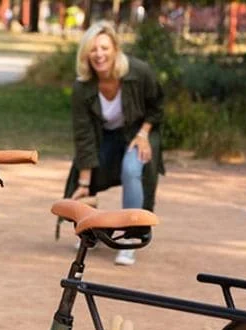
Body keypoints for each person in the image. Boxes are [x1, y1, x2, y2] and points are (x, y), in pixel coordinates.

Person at [64, 20, 164, 266]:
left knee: (131, 169)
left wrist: (144, 134)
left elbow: (157, 107)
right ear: (86, 53)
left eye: (105, 48)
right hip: (106, 135)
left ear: (115, 49)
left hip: (139, 132)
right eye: (93, 49)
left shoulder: (139, 72)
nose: (99, 55)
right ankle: (94, 231)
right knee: (87, 171)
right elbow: (84, 134)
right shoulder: (82, 86)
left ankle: (131, 237)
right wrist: (85, 182)